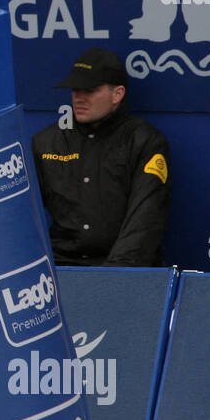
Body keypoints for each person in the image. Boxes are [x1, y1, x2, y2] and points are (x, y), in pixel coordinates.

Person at [31, 48, 171, 267]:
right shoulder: (46, 142)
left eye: (90, 90)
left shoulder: (145, 141)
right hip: (62, 267)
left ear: (117, 94)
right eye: (76, 89)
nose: (79, 98)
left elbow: (145, 220)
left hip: (126, 271)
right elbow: (21, 219)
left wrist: (111, 279)